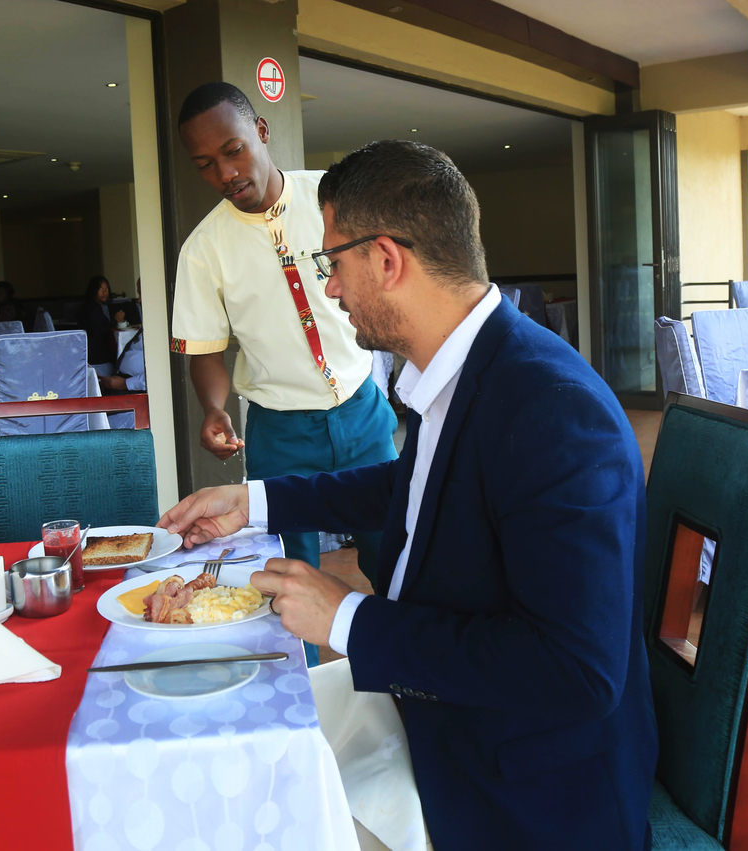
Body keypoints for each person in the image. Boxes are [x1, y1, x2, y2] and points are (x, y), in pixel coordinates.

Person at [159, 140, 657, 850]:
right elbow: (415, 486)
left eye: (333, 263)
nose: (328, 288)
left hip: (524, 786)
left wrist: (350, 620)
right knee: (235, 738)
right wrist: (256, 503)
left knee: (245, 808)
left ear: (386, 260)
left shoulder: (554, 413)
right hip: (445, 712)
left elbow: (576, 671)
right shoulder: (465, 367)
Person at [171, 82, 397, 664]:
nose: (225, 172)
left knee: (393, 548)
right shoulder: (203, 250)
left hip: (361, 410)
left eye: (234, 149)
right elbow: (206, 352)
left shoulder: (331, 196)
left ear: (261, 133)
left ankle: (411, 673)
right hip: (278, 429)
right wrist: (215, 410)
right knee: (287, 573)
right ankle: (304, 696)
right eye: (206, 165)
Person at [78, 276, 125, 367]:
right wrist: (115, 321)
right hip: (97, 356)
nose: (105, 292)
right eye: (100, 289)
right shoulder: (92, 308)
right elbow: (98, 330)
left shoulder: (97, 306)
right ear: (93, 290)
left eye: (107, 289)